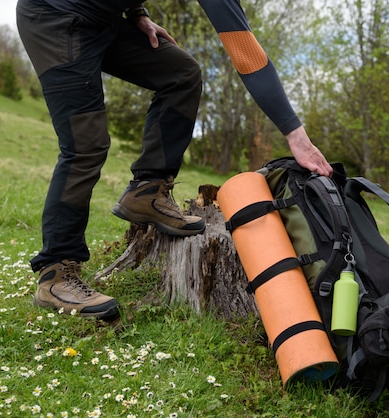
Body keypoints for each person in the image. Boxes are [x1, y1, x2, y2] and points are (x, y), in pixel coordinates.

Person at [16, 0, 333, 321]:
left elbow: (244, 45)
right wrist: (295, 134)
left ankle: (147, 192)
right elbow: (247, 56)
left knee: (181, 74)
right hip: (55, 19)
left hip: (102, 20)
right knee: (85, 144)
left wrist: (138, 14)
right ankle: (55, 273)